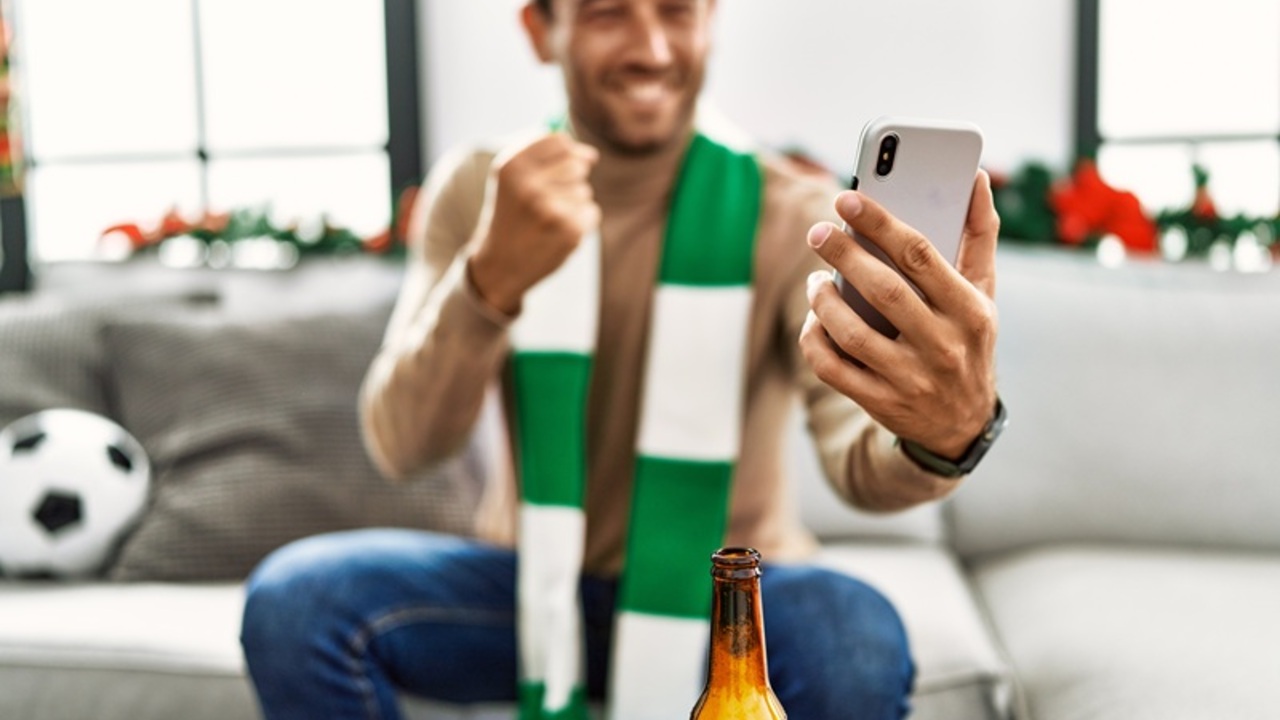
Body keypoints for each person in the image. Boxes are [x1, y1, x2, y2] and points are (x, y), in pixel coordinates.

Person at [239, 1, 1001, 719]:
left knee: (853, 632)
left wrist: (946, 433)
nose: (652, 48)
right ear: (543, 28)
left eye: (677, 10)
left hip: (727, 600)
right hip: (533, 590)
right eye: (609, 12)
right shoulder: (484, 190)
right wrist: (487, 283)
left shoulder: (789, 214)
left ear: (711, 20)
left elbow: (855, 460)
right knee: (296, 602)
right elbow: (402, 445)